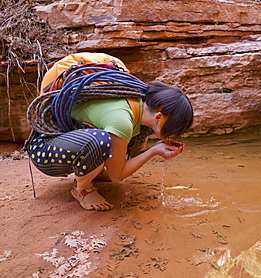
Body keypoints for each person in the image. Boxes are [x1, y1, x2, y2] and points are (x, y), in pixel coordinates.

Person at [27, 80, 194, 211]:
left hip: (68, 143)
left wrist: (154, 148)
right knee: (99, 140)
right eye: (173, 129)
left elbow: (132, 157)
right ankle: (82, 188)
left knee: (103, 142)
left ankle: (93, 172)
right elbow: (117, 175)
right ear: (158, 118)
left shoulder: (138, 109)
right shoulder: (122, 120)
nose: (172, 134)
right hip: (45, 148)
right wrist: (155, 151)